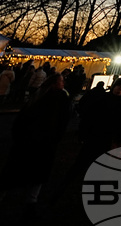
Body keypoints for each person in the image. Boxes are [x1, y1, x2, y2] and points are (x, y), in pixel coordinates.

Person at [0, 73, 72, 214]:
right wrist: (56, 137)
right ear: (55, 83)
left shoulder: (39, 95)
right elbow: (62, 121)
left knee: (15, 169)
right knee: (38, 172)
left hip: (28, 140)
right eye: (61, 81)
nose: (63, 83)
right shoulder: (61, 98)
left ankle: (6, 193)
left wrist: (18, 133)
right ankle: (30, 201)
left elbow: (23, 116)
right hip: (44, 142)